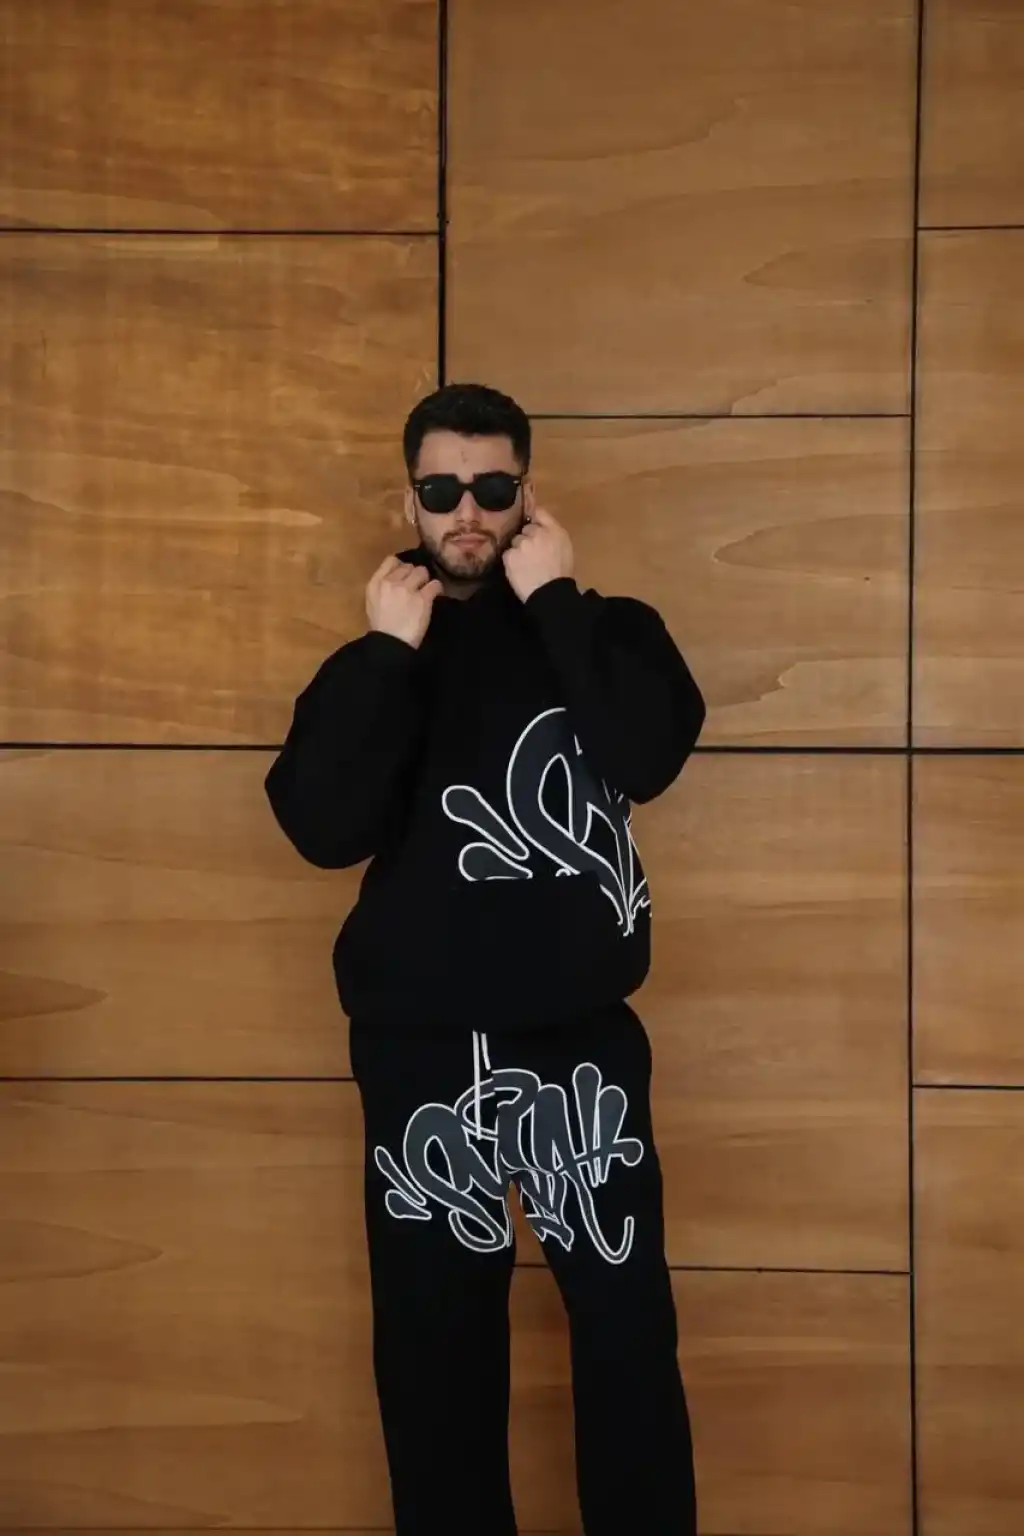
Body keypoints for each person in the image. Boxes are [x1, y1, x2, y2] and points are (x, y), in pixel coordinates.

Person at [264, 381, 706, 1535]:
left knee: (625, 1336)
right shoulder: (378, 658)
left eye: (493, 486)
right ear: (407, 500)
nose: (467, 510)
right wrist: (382, 656)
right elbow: (321, 828)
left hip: (580, 1044)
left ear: (526, 493)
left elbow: (647, 755)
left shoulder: (606, 631)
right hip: (419, 1054)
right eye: (442, 489)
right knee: (433, 1357)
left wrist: (552, 598)